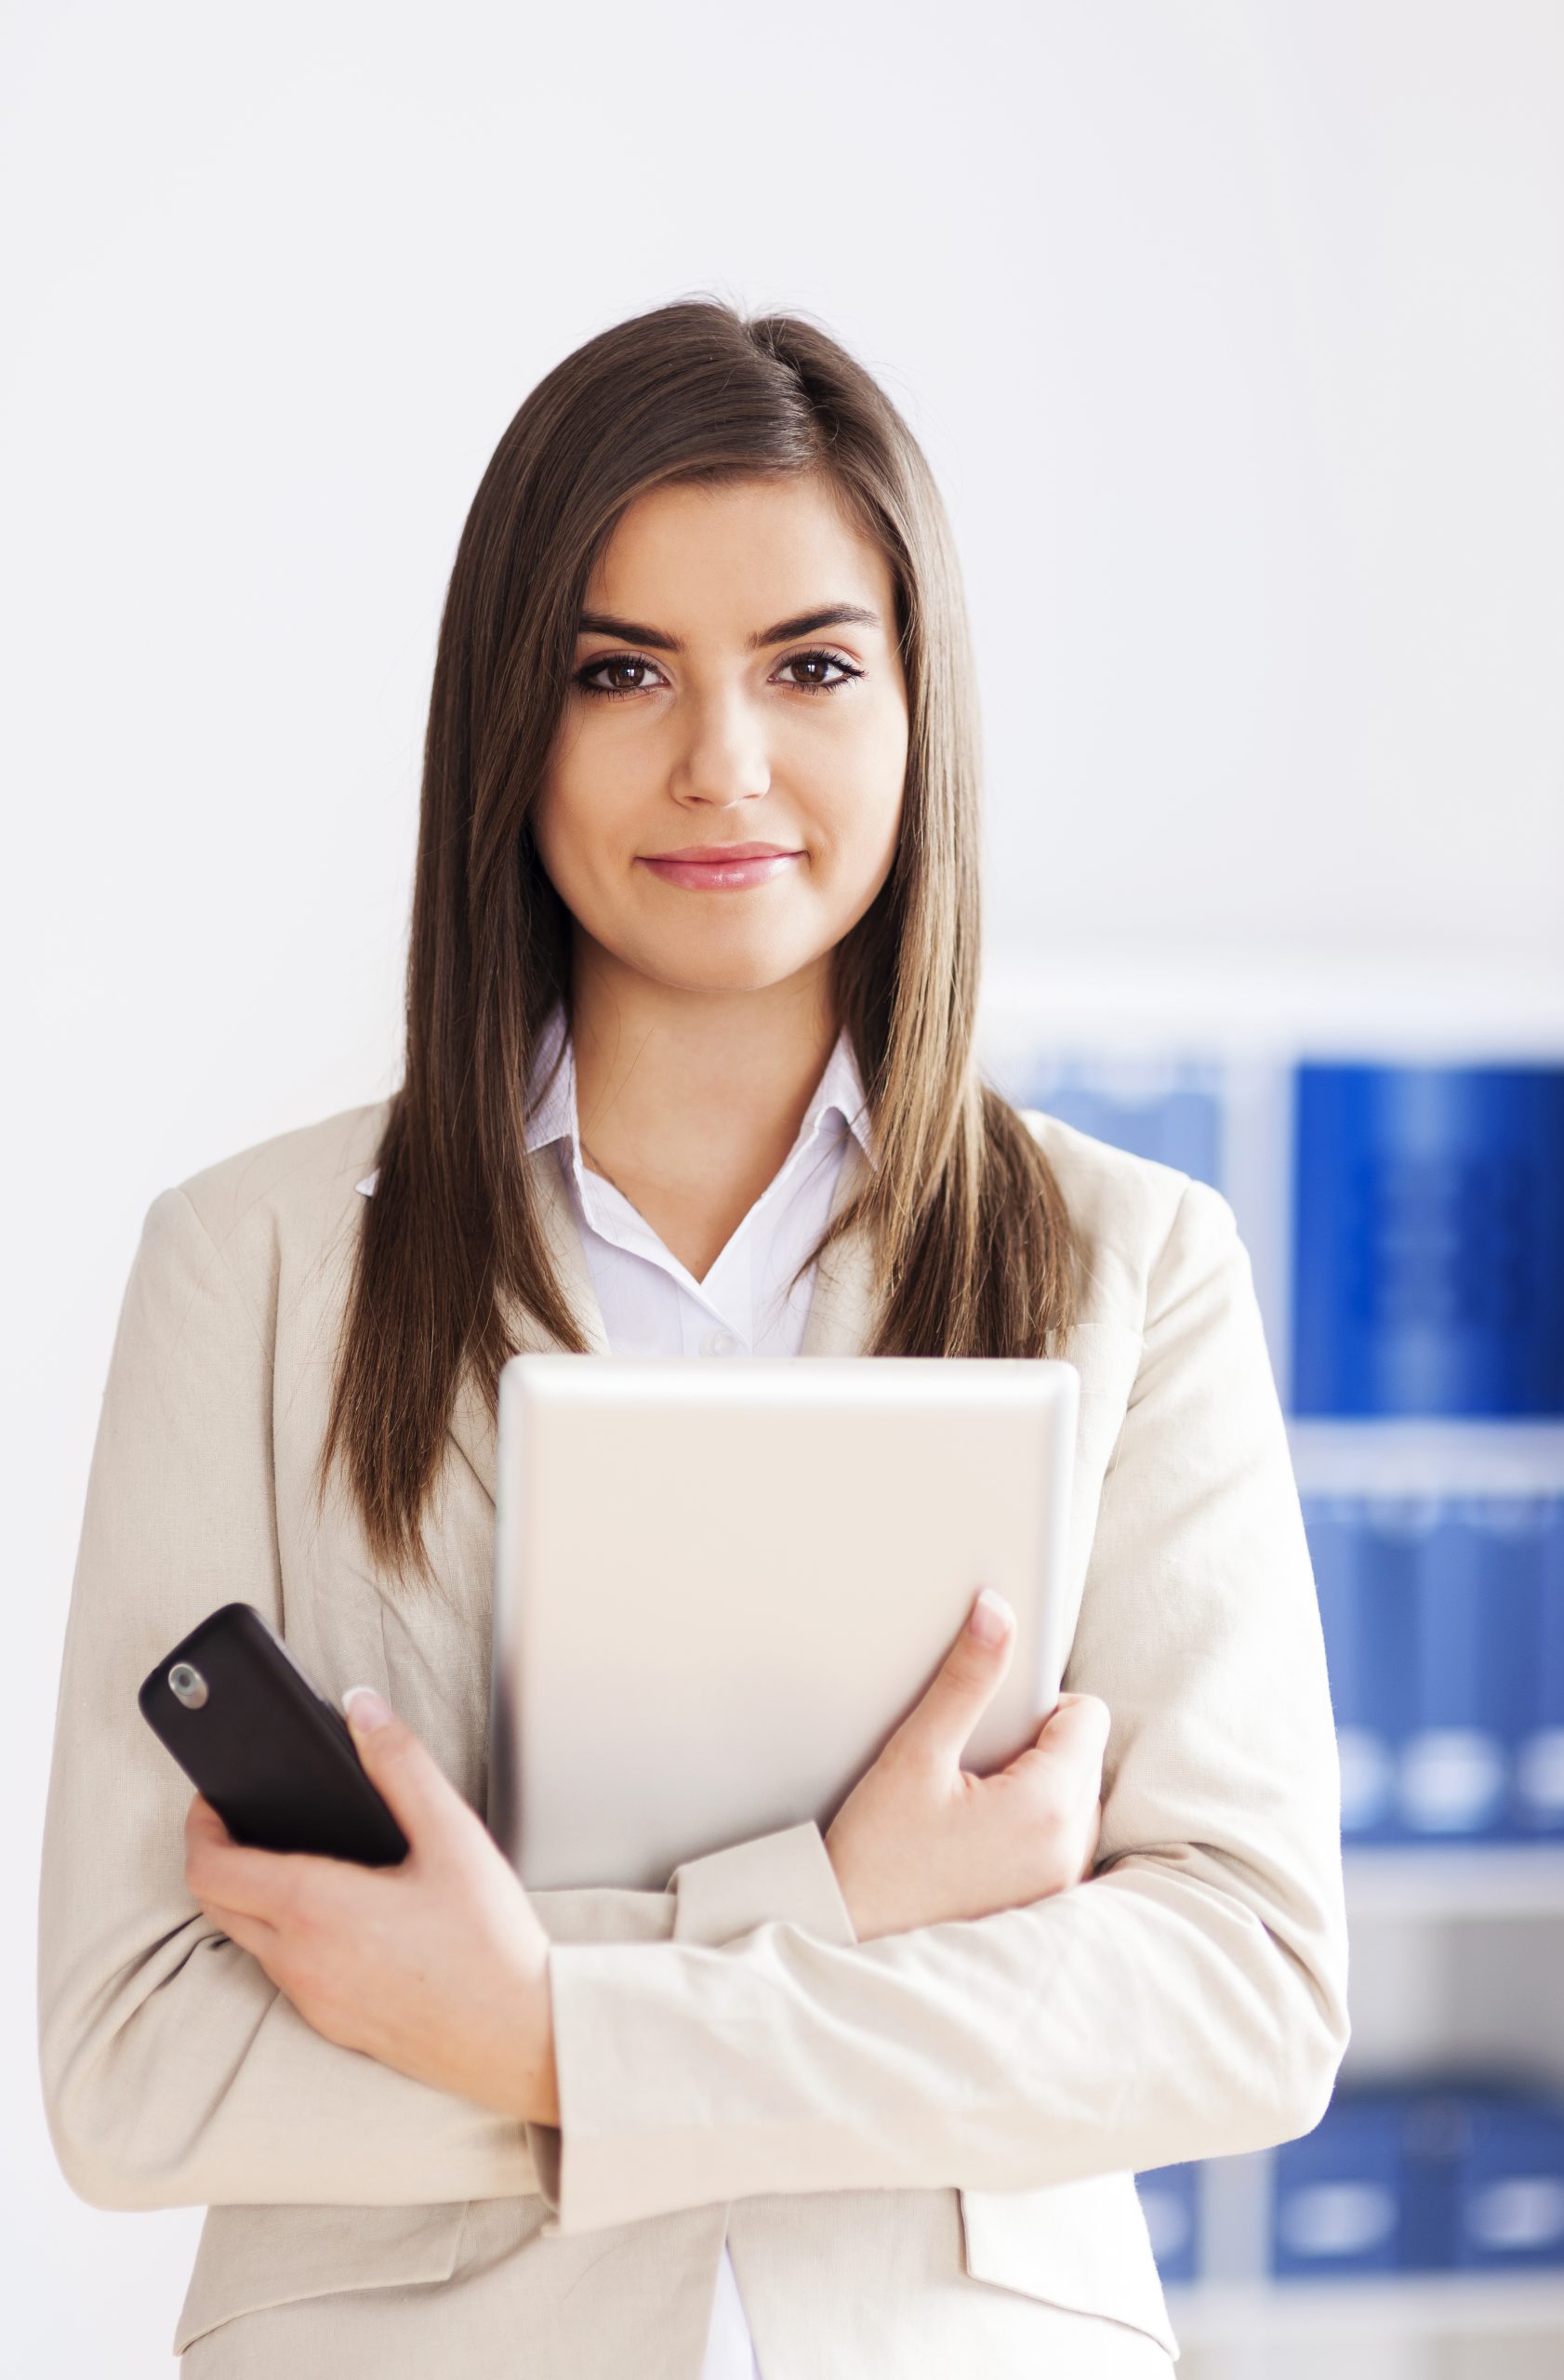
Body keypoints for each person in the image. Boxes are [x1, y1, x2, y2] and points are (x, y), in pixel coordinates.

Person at [37, 298, 1349, 2378]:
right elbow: (133, 2060)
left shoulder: (1132, 1263)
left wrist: (530, 2023)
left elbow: (1241, 1991)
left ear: (919, 706)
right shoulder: (255, 1265)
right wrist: (832, 1901)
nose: (719, 760)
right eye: (617, 670)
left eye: (809, 665)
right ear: (509, 720)